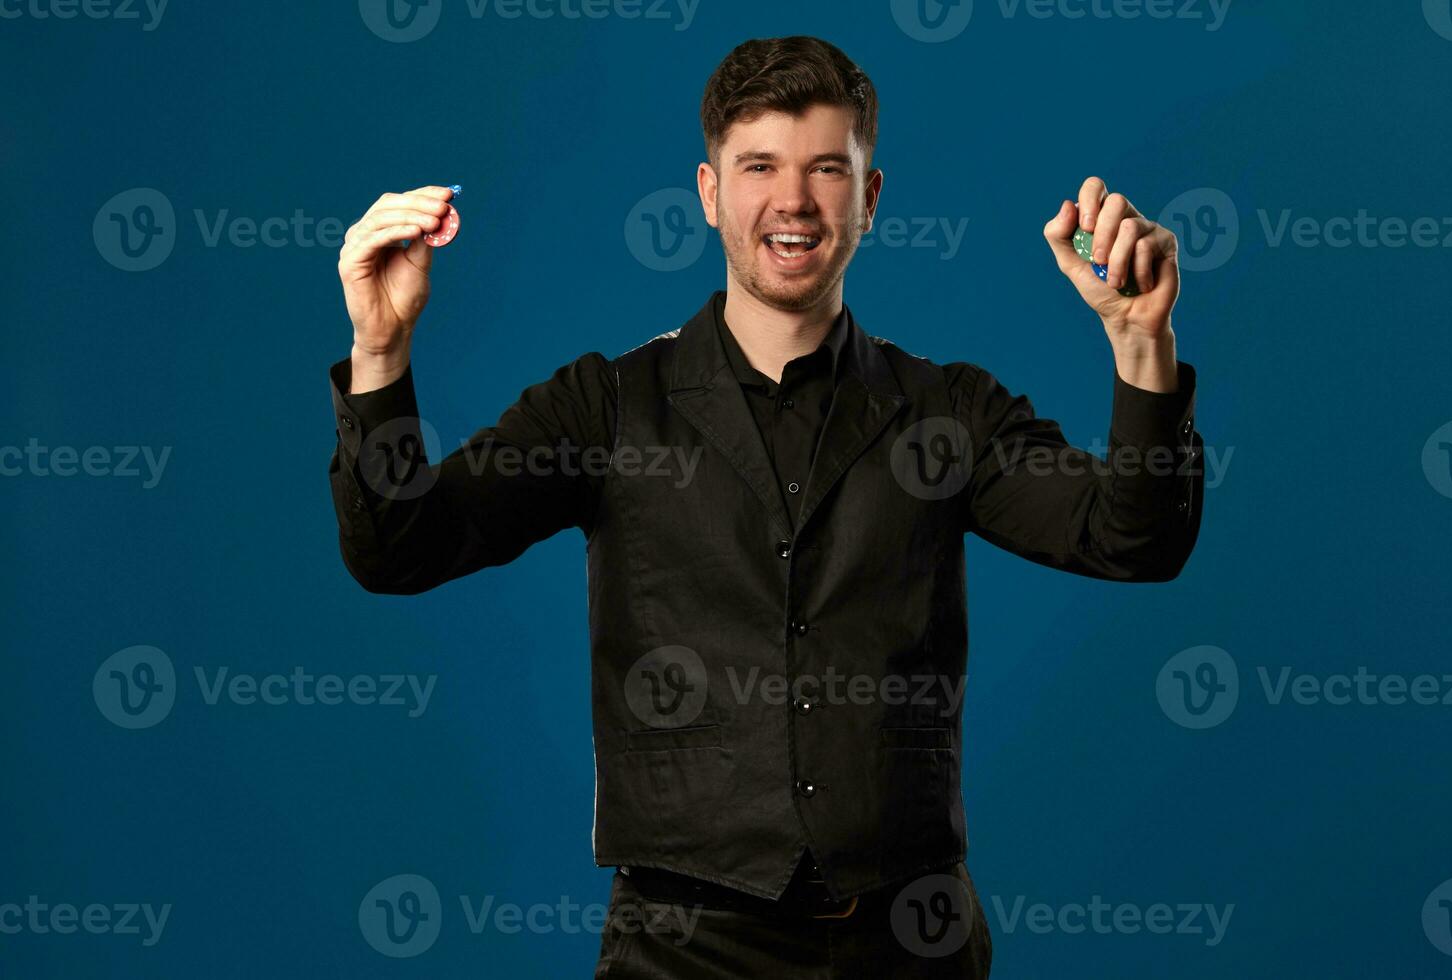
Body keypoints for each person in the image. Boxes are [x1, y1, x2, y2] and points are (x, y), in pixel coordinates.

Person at [327, 34, 1203, 979]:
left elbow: (1133, 539)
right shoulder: (605, 406)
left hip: (912, 942)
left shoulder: (946, 410)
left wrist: (1140, 345)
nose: (793, 200)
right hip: (682, 947)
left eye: (827, 168)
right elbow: (402, 549)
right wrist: (380, 354)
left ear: (868, 199)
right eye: (759, 167)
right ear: (709, 194)